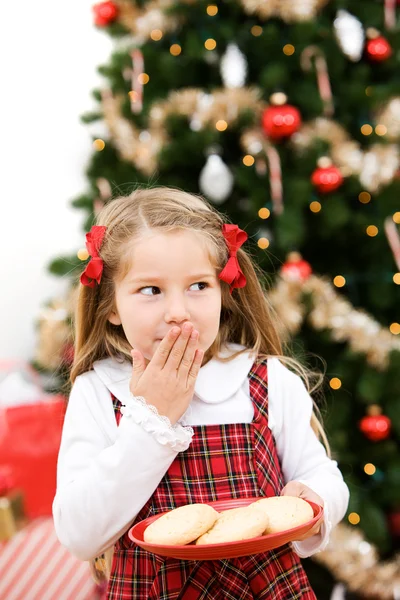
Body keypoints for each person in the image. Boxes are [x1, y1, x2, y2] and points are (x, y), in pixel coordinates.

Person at [53, 186, 349, 599]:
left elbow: (321, 474)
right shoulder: (98, 391)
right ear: (112, 306)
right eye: (151, 290)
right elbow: (79, 534)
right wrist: (151, 420)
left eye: (198, 286)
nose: (178, 311)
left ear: (224, 292)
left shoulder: (267, 378)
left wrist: (315, 499)